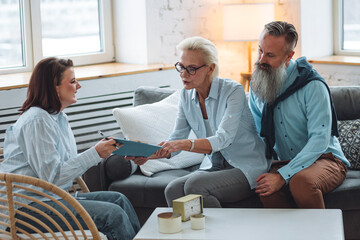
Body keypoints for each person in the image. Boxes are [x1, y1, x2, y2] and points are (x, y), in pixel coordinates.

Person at [0, 57, 140, 240]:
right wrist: (95, 153)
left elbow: (63, 166)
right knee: (112, 215)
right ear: (54, 87)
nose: (79, 86)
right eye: (73, 81)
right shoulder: (37, 121)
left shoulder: (58, 118)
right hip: (25, 210)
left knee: (119, 200)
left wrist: (104, 151)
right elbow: (53, 177)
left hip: (53, 199)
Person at [128, 36, 271, 207]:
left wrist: (183, 144)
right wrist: (149, 155)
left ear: (210, 68)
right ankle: (191, 234)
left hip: (245, 166)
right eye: (181, 67)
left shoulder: (233, 91)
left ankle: (220, 234)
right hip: (214, 165)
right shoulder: (186, 95)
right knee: (172, 190)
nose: (184, 74)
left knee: (195, 186)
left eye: (192, 69)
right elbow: (177, 137)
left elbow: (224, 138)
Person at [249, 21, 350, 208]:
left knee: (301, 182)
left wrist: (283, 174)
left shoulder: (313, 86)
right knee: (264, 186)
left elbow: (319, 140)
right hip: (284, 161)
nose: (262, 59)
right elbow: (257, 135)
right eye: (260, 51)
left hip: (325, 159)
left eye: (270, 55)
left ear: (289, 56)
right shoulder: (257, 86)